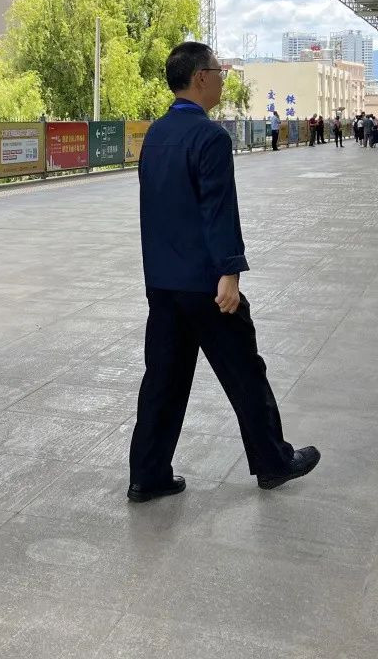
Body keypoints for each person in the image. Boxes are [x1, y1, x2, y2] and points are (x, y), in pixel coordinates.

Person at [129, 42, 320, 502]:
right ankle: (273, 462)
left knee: (163, 381)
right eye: (219, 71)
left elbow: (156, 210)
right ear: (200, 78)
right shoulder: (210, 137)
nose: (221, 78)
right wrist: (230, 272)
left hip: (164, 283)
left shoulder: (155, 134)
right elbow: (218, 210)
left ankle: (147, 476)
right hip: (207, 286)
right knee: (245, 373)